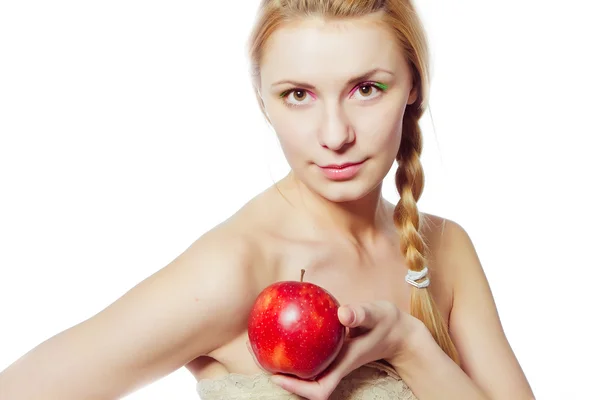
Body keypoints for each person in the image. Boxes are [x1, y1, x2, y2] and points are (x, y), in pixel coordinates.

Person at [0, 0, 535, 399]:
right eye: (298, 95)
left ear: (414, 85)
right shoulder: (235, 269)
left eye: (366, 88)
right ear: (264, 102)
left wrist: (406, 344)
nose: (335, 133)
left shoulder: (446, 248)